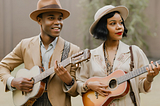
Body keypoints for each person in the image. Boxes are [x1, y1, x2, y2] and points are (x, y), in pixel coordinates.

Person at [0, 0, 80, 106]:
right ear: (39, 20)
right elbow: (3, 66)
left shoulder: (72, 50)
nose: (57, 22)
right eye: (51, 18)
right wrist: (13, 82)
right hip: (29, 102)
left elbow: (75, 92)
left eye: (60, 18)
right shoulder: (25, 45)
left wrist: (69, 81)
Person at [76, 5, 160, 106]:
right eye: (113, 23)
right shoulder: (90, 56)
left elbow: (143, 87)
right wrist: (88, 84)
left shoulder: (134, 52)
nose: (119, 27)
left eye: (121, 22)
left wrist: (150, 78)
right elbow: (78, 84)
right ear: (103, 27)